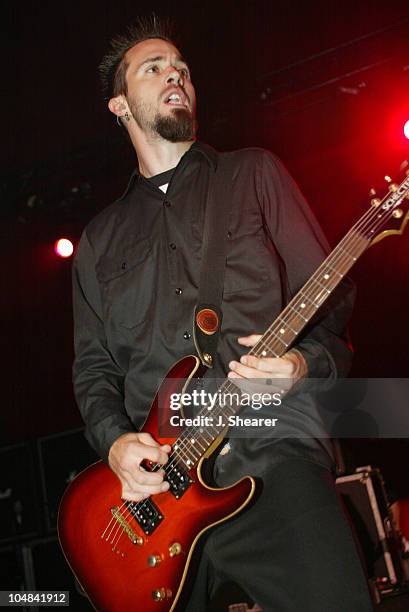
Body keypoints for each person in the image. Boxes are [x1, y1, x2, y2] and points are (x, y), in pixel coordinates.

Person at [72, 16, 373, 611]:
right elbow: (93, 372)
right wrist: (115, 448)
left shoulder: (254, 172)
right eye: (153, 68)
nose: (174, 74)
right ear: (119, 104)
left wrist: (299, 364)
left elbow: (333, 313)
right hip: (157, 498)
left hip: (271, 451)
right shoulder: (98, 241)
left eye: (180, 67)